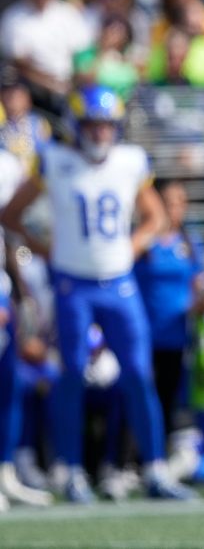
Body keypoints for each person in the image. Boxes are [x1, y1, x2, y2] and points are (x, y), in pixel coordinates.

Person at [0, 85, 193, 503]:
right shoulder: (54, 160)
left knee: (139, 375)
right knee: (71, 375)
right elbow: (11, 213)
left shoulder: (130, 162)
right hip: (73, 285)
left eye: (106, 125)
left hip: (120, 283)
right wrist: (48, 250)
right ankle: (70, 470)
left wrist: (133, 246)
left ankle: (155, 468)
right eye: (92, 124)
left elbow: (155, 215)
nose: (100, 133)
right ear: (75, 125)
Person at [0, 146, 52, 509]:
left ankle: (5, 472)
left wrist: (17, 293)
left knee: (9, 387)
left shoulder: (7, 164)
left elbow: (9, 231)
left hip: (3, 288)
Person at [133, 180, 204, 436]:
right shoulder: (142, 242)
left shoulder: (189, 243)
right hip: (143, 334)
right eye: (170, 202)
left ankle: (159, 457)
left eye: (181, 203)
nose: (176, 209)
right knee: (140, 395)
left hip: (176, 335)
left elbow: (198, 282)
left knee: (169, 396)